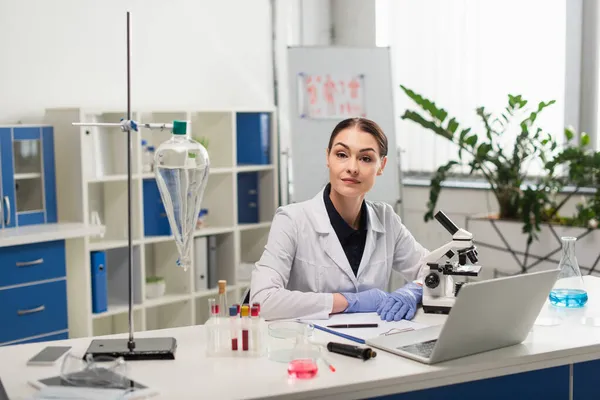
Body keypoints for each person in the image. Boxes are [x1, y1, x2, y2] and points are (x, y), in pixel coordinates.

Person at [250, 117, 429, 321]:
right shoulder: (292, 220)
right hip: (309, 345)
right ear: (328, 157)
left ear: (382, 165)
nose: (352, 167)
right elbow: (262, 301)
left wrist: (413, 291)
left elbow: (435, 270)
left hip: (372, 345)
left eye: (366, 158)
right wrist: (348, 301)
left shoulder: (387, 220)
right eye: (342, 155)